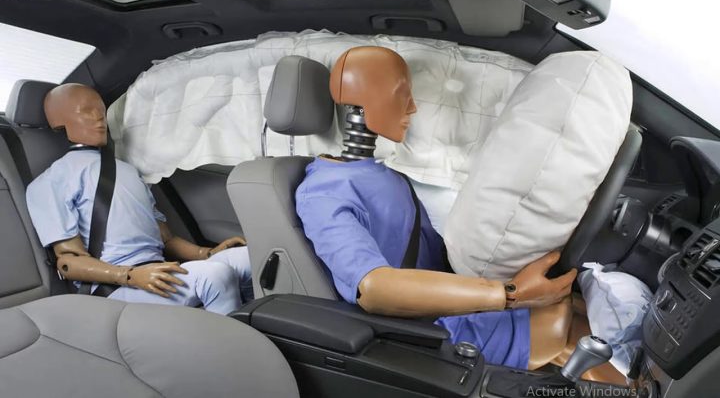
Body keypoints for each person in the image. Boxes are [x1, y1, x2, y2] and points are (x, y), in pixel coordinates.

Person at [296, 47, 577, 369]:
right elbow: (373, 287)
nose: (412, 107)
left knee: (575, 307)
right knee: (564, 326)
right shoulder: (323, 193)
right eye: (402, 94)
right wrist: (510, 294)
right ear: (359, 101)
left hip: (448, 301)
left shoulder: (385, 174)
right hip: (422, 331)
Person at [26, 83, 252, 315]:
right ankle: (231, 337)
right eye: (86, 111)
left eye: (101, 111)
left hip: (157, 272)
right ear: (58, 121)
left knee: (251, 258)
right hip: (115, 287)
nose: (99, 118)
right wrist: (130, 276)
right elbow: (69, 262)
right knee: (215, 275)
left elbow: (166, 239)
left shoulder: (128, 171)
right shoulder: (51, 181)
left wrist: (207, 253)